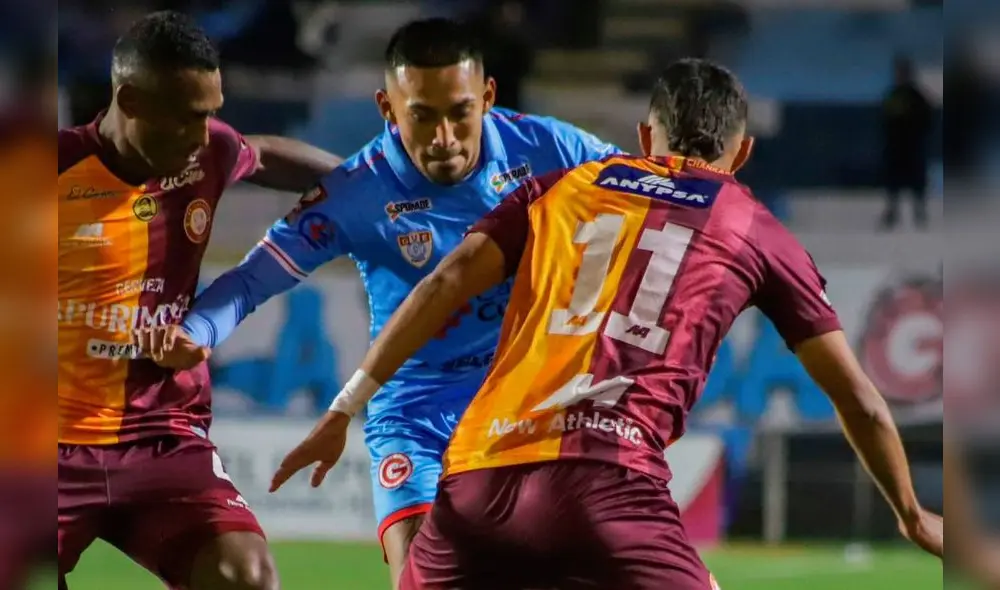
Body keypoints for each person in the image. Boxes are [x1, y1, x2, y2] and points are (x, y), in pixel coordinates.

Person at [263, 58, 944, 588]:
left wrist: (345, 406)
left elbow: (443, 282)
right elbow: (857, 397)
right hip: (609, 487)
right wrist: (911, 512)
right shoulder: (751, 225)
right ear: (741, 156)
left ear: (646, 137)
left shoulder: (560, 187)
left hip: (475, 485)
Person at [138, 16, 621, 587]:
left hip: (526, 402)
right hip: (414, 414)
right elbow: (251, 280)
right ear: (388, 108)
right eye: (422, 115)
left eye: (460, 112)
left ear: (487, 96)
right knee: (421, 577)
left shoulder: (550, 148)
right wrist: (198, 330)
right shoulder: (358, 191)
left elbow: (651, 196)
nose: (444, 137)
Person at [57, 11, 342, 590]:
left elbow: (262, 154)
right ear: (130, 99)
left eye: (212, 113)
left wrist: (379, 189)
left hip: (162, 435)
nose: (203, 132)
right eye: (189, 116)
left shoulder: (207, 151)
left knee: (246, 576)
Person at [880, 55, 933, 230]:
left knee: (917, 181)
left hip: (912, 146)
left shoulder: (916, 96)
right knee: (893, 182)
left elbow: (926, 119)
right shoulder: (892, 95)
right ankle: (892, 212)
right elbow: (885, 120)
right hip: (896, 147)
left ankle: (919, 212)